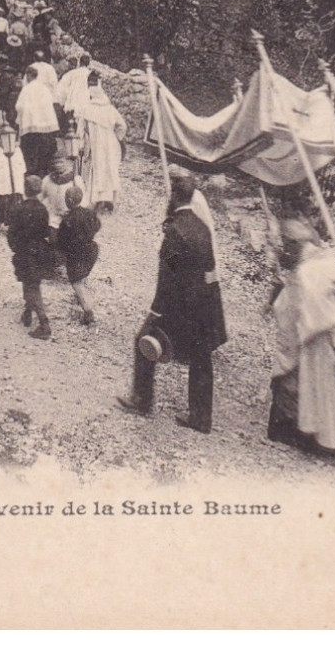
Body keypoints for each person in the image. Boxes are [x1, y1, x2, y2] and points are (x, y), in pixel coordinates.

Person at [117, 174, 227, 433]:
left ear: (175, 197)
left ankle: (142, 399)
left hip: (181, 304)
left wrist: (155, 313)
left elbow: (168, 277)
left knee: (143, 340)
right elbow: (209, 268)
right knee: (202, 358)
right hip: (206, 302)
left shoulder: (175, 232)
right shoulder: (202, 226)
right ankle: (201, 418)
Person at [267, 220, 335, 457]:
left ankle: (319, 438)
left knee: (313, 387)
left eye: (289, 245)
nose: (287, 250)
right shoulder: (325, 260)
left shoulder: (308, 269)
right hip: (326, 334)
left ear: (298, 243)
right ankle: (334, 438)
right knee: (325, 389)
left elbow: (304, 305)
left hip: (314, 338)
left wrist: (284, 308)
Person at [7, 175, 55, 340]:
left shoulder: (19, 209)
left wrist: (15, 247)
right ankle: (27, 312)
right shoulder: (42, 209)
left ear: (25, 189)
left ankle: (44, 323)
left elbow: (12, 234)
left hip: (25, 252)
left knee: (31, 286)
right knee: (31, 282)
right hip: (40, 250)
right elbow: (44, 231)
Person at [79, 73, 127, 212]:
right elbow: (122, 126)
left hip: (96, 145)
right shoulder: (110, 109)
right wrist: (118, 137)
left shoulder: (88, 109)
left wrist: (82, 144)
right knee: (110, 170)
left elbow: (82, 130)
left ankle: (98, 200)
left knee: (98, 171)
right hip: (111, 145)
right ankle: (110, 200)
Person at [57, 185, 100, 326]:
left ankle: (89, 314)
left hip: (77, 255)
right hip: (91, 249)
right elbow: (97, 225)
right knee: (82, 274)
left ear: (68, 200)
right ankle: (83, 296)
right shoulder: (89, 213)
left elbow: (61, 240)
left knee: (76, 282)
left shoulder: (67, 220)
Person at [15, 66, 60, 178]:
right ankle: (43, 173)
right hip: (45, 128)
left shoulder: (26, 89)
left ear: (29, 76)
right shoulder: (44, 89)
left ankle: (31, 174)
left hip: (30, 127)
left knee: (30, 151)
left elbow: (19, 106)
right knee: (44, 151)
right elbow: (50, 104)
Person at [0, 124, 25, 228]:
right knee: (1, 199)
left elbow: (22, 166)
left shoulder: (16, 149)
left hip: (13, 180)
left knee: (12, 198)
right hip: (1, 180)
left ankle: (10, 221)